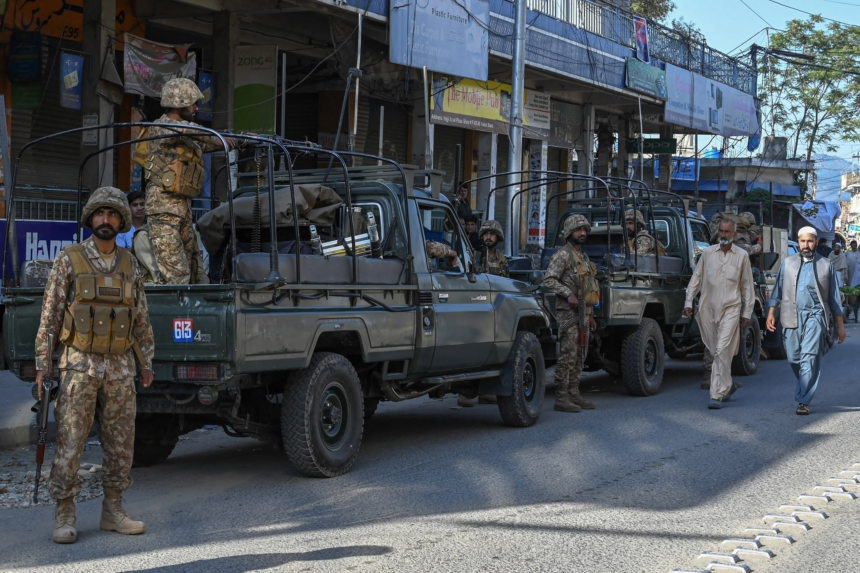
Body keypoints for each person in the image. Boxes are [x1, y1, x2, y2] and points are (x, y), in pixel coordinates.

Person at [34, 187, 156, 544]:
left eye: (113, 214)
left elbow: (141, 316)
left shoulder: (130, 263)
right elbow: (50, 314)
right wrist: (44, 362)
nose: (106, 220)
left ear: (121, 220)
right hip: (79, 367)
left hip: (120, 366)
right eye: (100, 214)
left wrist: (146, 360)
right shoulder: (69, 259)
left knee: (121, 444)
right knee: (71, 442)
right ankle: (65, 513)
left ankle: (113, 510)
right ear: (91, 219)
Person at [144, 77, 235, 284]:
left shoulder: (186, 134)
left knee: (192, 270)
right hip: (163, 208)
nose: (195, 108)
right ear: (179, 103)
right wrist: (218, 136)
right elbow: (193, 132)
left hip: (182, 208)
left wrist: (239, 140)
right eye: (192, 103)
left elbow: (209, 143)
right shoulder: (162, 127)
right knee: (177, 275)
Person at [767, 227, 846, 415]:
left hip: (816, 316)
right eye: (802, 241)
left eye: (810, 241)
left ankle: (803, 400)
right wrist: (771, 313)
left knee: (809, 356)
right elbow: (777, 290)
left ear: (816, 242)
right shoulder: (788, 263)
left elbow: (834, 299)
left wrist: (840, 326)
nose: (806, 245)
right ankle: (804, 382)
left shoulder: (826, 264)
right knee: (794, 357)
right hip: (791, 315)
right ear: (798, 242)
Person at [684, 219, 754, 409]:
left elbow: (747, 286)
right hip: (708, 309)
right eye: (721, 232)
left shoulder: (741, 256)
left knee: (722, 349)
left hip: (731, 308)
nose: (723, 235)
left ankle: (716, 394)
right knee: (717, 351)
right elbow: (696, 278)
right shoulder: (707, 253)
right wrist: (689, 301)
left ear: (734, 234)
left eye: (727, 232)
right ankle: (728, 385)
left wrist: (747, 311)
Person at [543, 214, 600, 413]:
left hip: (584, 314)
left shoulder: (583, 257)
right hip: (568, 314)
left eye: (584, 229)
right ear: (569, 233)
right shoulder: (563, 255)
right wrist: (568, 294)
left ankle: (574, 393)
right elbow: (549, 280)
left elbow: (588, 287)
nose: (582, 233)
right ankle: (561, 397)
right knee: (568, 355)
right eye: (578, 230)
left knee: (580, 355)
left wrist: (591, 315)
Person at [458, 220, 508, 408]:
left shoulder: (502, 259)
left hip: (494, 309)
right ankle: (466, 392)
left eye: (492, 234)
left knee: (495, 352)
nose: (488, 237)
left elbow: (506, 284)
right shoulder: (473, 255)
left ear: (498, 237)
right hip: (475, 307)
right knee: (472, 351)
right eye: (486, 234)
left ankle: (487, 391)